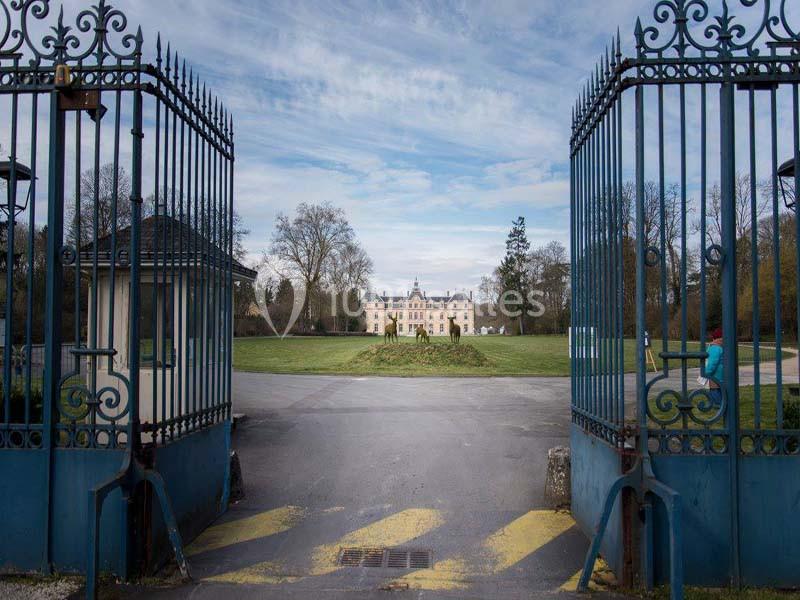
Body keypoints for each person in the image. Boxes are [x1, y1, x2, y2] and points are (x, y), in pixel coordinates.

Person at [705, 328, 724, 408]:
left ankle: (718, 404)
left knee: (714, 389)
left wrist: (706, 372)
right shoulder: (721, 347)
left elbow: (712, 362)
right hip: (721, 373)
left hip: (715, 374)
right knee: (720, 389)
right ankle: (720, 403)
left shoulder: (714, 348)